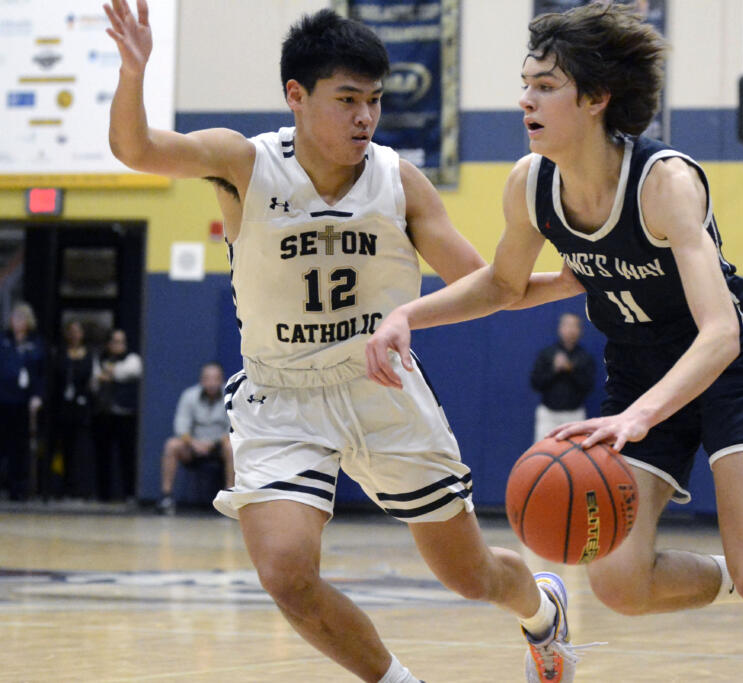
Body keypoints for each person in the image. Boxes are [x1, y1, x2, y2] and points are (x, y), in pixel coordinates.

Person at [365, 4, 743, 682]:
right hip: (636, 372)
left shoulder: (666, 183)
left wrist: (642, 416)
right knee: (618, 583)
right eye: (525, 82)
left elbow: (720, 332)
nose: (525, 99)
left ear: (597, 98)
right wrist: (407, 317)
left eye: (545, 85)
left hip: (721, 370)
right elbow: (504, 285)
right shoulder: (531, 184)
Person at [104, 2, 587, 681]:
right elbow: (136, 149)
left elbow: (489, 285)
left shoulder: (398, 181)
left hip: (382, 390)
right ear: (296, 98)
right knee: (285, 573)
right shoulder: (243, 164)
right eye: (348, 99)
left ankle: (542, 610)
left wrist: (575, 282)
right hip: (281, 396)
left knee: (471, 575)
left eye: (375, 101)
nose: (365, 117)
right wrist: (133, 73)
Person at [157, 361, 233, 516]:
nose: (211, 383)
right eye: (207, 378)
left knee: (231, 446)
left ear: (222, 380)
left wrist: (214, 443)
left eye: (215, 378)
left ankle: (229, 498)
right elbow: (181, 426)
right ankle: (167, 498)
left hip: (219, 445)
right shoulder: (189, 396)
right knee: (172, 445)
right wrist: (193, 443)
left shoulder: (231, 396)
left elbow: (233, 427)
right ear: (201, 380)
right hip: (193, 445)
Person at [0, 302, 45, 501]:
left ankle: (18, 488)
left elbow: (41, 373)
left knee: (20, 446)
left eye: (21, 318)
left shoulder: (35, 343)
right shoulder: (3, 340)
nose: (17, 322)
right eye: (15, 318)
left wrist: (38, 395)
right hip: (3, 399)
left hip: (24, 402)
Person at [92, 328, 142, 501]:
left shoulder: (132, 358)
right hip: (103, 413)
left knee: (126, 454)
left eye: (121, 342)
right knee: (102, 455)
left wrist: (110, 374)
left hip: (125, 413)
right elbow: (95, 378)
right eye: (114, 341)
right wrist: (106, 375)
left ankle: (129, 493)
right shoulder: (100, 358)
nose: (118, 345)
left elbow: (131, 371)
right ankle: (103, 495)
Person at [530, 312, 595, 442]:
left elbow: (588, 386)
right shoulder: (547, 354)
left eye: (574, 326)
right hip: (549, 414)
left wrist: (570, 369)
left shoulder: (585, 357)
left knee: (574, 456)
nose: (570, 330)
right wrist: (554, 370)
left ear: (580, 330)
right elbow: (535, 383)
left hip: (574, 415)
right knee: (543, 455)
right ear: (560, 328)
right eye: (567, 325)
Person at [52, 319, 96, 499]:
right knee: (64, 448)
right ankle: (62, 487)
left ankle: (81, 488)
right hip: (64, 407)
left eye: (78, 331)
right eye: (71, 331)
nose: (75, 335)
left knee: (81, 448)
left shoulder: (89, 355)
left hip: (82, 406)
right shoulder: (60, 353)